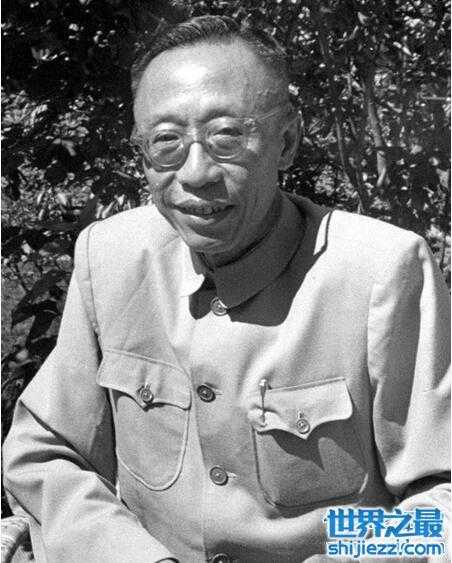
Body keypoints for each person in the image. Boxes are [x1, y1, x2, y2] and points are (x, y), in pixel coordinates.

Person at [3, 14, 450, 563]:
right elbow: (44, 454)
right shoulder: (111, 257)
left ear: (287, 142)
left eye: (227, 137)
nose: (196, 173)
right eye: (166, 142)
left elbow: (441, 499)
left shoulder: (379, 271)